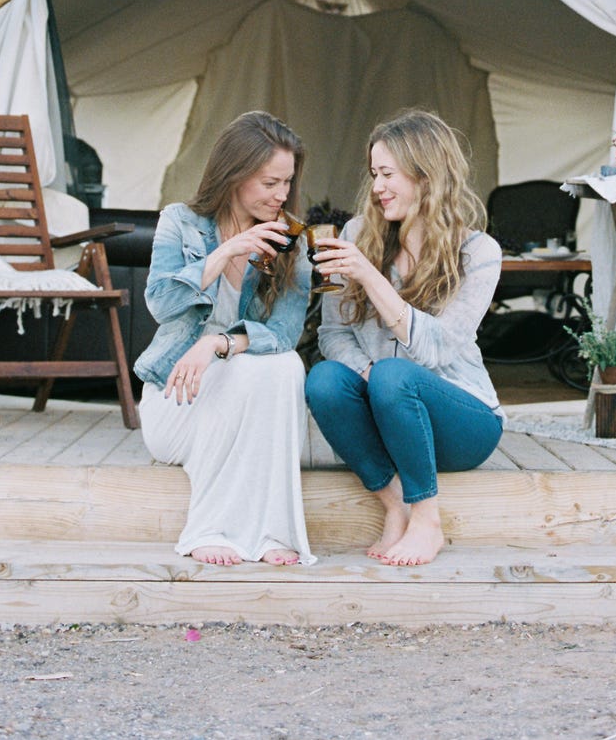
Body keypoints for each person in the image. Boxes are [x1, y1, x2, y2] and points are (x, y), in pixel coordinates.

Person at [305, 108, 503, 567]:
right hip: (387, 413)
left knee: (397, 375)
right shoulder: (357, 234)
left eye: (388, 174)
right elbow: (333, 335)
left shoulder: (478, 252)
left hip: (462, 422)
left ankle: (427, 519)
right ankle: (395, 506)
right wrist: (368, 374)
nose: (377, 187)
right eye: (374, 174)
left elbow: (435, 350)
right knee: (324, 379)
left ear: (426, 175)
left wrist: (372, 278)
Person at [135, 110, 314, 566]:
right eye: (269, 183)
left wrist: (219, 344)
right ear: (234, 175)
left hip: (244, 390)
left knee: (282, 367)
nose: (282, 196)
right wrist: (227, 251)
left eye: (287, 183)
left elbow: (285, 334)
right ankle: (210, 527)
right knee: (252, 377)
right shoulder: (180, 222)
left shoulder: (292, 241)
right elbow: (161, 304)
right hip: (177, 396)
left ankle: (274, 530)